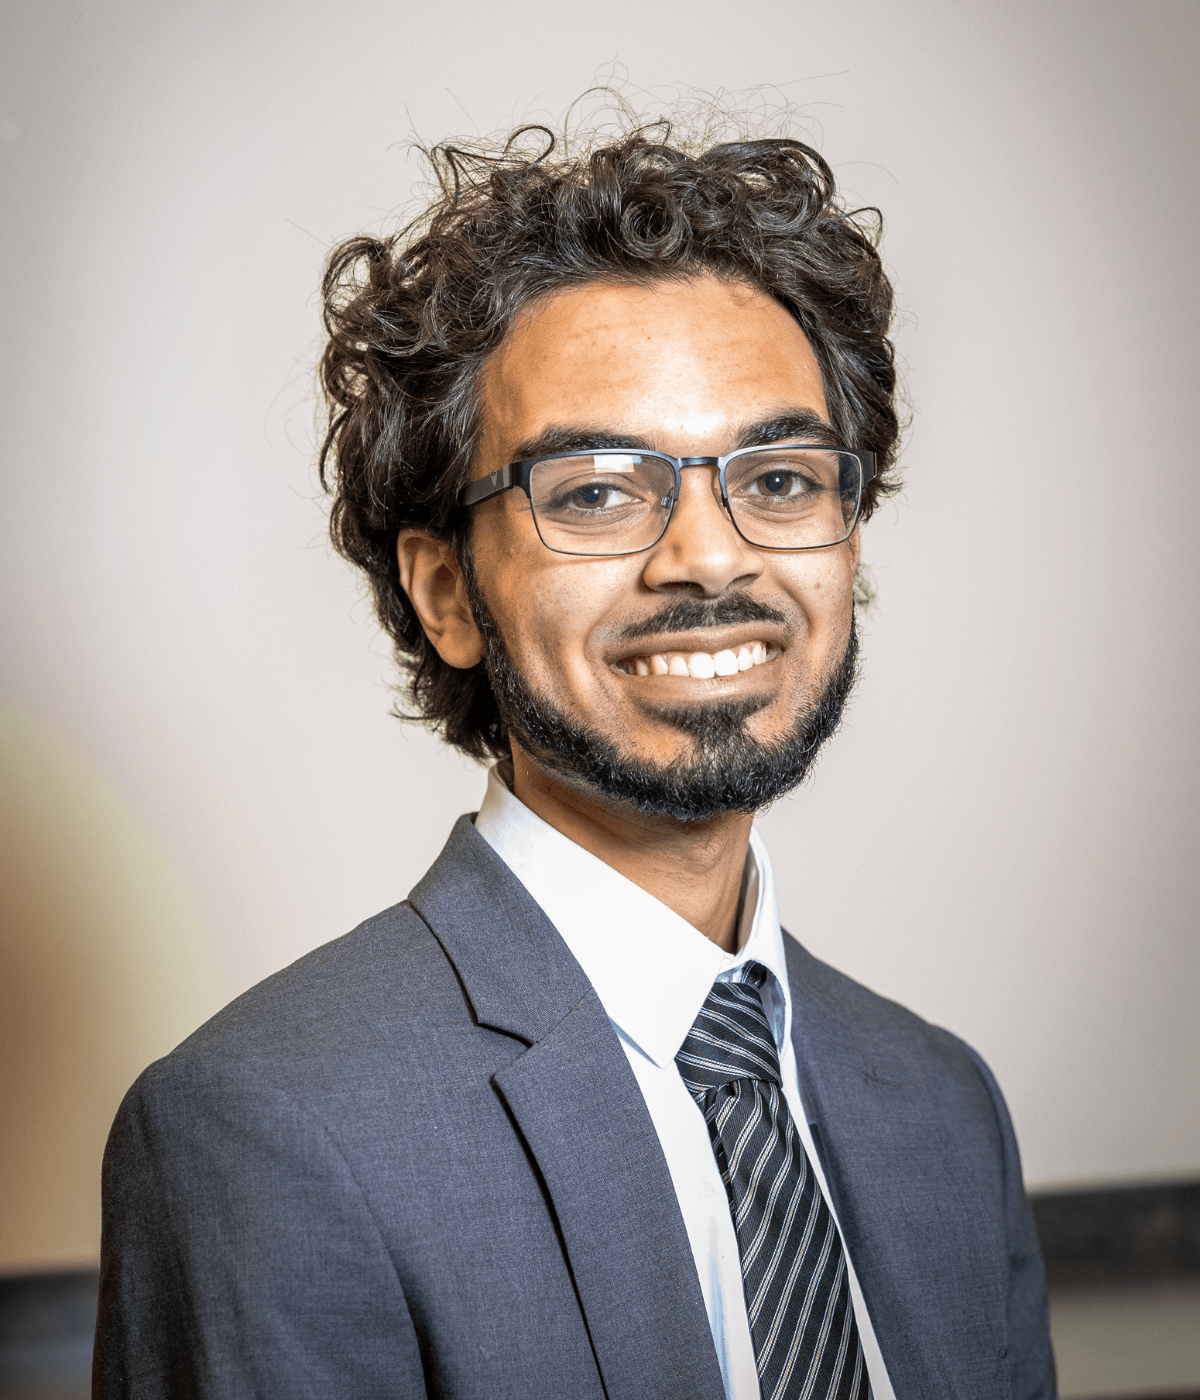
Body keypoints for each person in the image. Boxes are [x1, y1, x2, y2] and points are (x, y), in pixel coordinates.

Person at [94, 118, 1056, 1399]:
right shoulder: (262, 1131)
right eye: (598, 489)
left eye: (778, 478)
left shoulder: (940, 1104)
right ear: (445, 590)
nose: (712, 556)